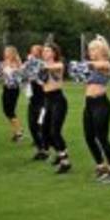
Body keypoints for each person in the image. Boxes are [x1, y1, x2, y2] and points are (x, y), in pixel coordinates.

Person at [82, 35, 110, 183]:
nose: (90, 51)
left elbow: (97, 65)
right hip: (89, 104)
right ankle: (101, 166)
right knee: (89, 137)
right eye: (89, 49)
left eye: (93, 49)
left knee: (102, 137)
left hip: (101, 104)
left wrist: (86, 65)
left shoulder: (106, 64)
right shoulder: (90, 65)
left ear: (101, 50)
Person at [41, 43, 71, 174]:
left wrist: (40, 65)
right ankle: (60, 153)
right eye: (44, 51)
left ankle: (65, 161)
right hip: (46, 100)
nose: (44, 53)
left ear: (53, 53)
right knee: (44, 130)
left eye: (47, 51)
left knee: (55, 131)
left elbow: (55, 67)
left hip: (58, 100)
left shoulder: (58, 64)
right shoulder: (42, 66)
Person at [24, 44, 48, 160]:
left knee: (41, 125)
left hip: (43, 100)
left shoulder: (44, 65)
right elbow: (22, 76)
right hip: (33, 101)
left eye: (36, 51)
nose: (33, 53)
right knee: (32, 125)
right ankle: (40, 149)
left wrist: (36, 77)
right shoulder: (29, 65)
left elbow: (44, 80)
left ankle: (46, 148)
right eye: (32, 51)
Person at [0, 46, 24, 143]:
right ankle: (17, 131)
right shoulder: (3, 63)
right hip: (5, 88)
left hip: (14, 89)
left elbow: (19, 77)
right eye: (5, 51)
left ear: (12, 53)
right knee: (6, 111)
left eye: (7, 51)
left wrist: (13, 70)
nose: (5, 53)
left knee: (10, 111)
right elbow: (0, 77)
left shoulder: (17, 64)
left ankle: (19, 132)